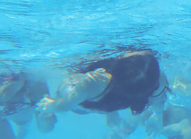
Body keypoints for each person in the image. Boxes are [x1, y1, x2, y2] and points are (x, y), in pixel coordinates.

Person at [37, 50, 168, 134]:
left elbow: (64, 106)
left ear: (120, 64)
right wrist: (157, 116)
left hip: (80, 103)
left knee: (47, 125)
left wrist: (51, 105)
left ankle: (44, 125)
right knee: (110, 99)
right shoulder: (155, 80)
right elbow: (158, 101)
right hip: (109, 102)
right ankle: (111, 115)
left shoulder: (95, 80)